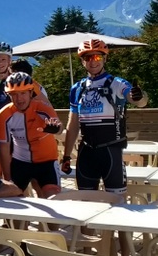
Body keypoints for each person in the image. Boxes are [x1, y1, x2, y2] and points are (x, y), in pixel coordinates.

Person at [62, 38, 148, 194]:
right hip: (86, 153)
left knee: (118, 204)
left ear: (105, 58)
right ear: (82, 61)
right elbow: (73, 125)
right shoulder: (77, 88)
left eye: (97, 57)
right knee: (86, 202)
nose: (93, 62)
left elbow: (139, 102)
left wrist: (139, 96)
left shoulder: (116, 83)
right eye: (88, 58)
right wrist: (66, 156)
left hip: (111, 152)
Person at [0, 72, 63, 198]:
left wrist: (56, 129)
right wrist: (8, 179)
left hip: (46, 162)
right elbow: (4, 149)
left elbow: (59, 127)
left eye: (23, 93)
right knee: (12, 200)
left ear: (31, 93)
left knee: (52, 199)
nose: (19, 99)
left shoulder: (43, 108)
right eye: (14, 94)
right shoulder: (4, 114)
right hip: (21, 162)